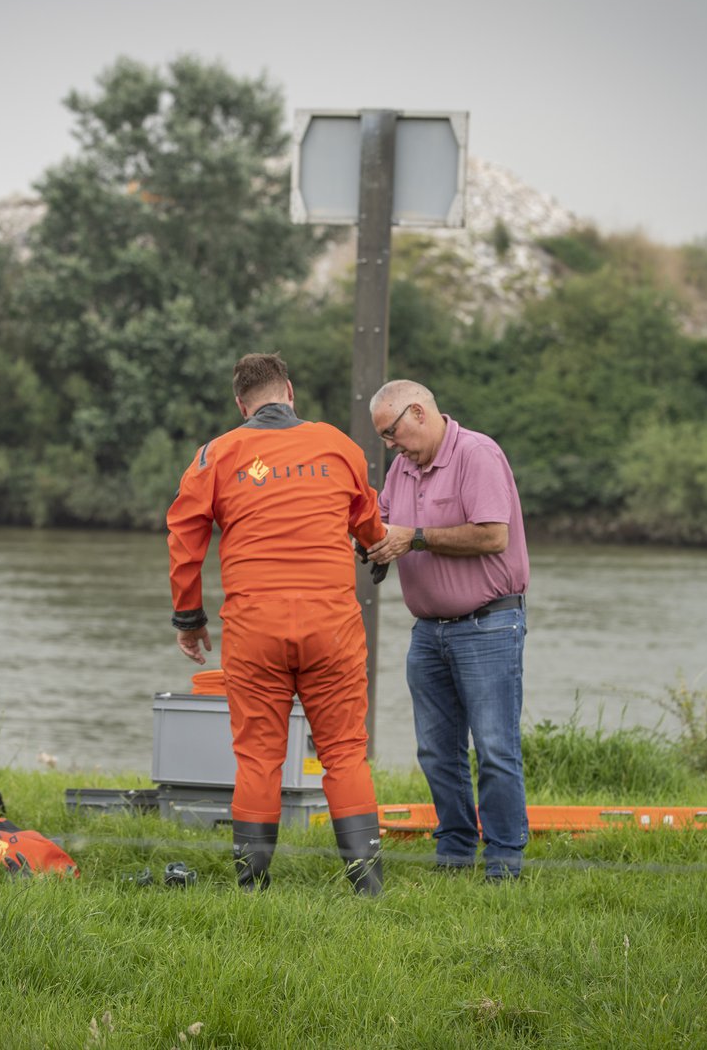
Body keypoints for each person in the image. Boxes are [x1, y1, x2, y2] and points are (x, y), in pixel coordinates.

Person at [166, 353, 401, 896]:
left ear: (240, 404)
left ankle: (253, 888)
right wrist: (375, 547)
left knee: (258, 755)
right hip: (332, 626)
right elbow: (367, 517)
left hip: (255, 629)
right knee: (343, 751)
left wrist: (188, 617)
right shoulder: (340, 446)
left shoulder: (216, 455)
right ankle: (368, 888)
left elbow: (184, 537)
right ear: (290, 392)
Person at [364, 380, 531, 882]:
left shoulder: (477, 454)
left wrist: (412, 539)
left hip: (489, 624)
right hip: (428, 631)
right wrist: (370, 542)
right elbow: (385, 524)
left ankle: (503, 863)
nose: (390, 445)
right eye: (384, 438)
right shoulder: (402, 468)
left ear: (418, 412)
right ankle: (455, 853)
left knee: (496, 747)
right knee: (437, 750)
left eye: (392, 433)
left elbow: (491, 534)